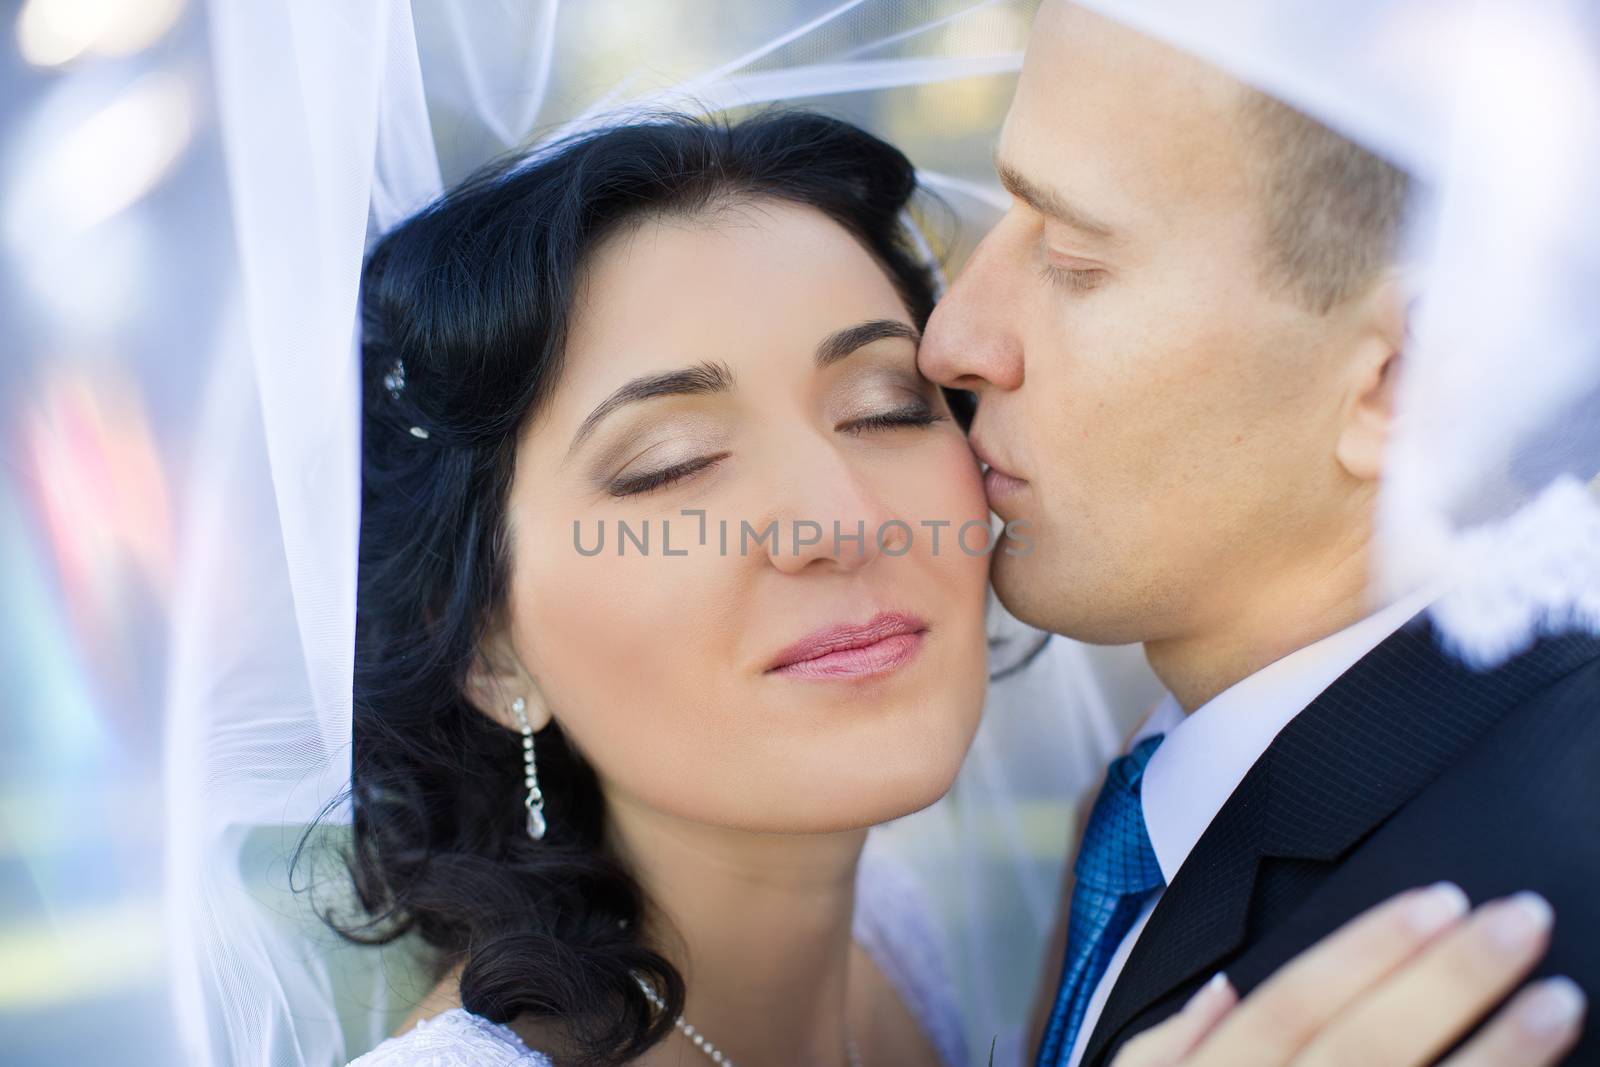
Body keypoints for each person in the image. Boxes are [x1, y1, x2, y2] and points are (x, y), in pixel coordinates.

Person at [333, 108, 1574, 1067]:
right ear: (488, 647)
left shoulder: (902, 944)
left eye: (885, 407)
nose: (839, 520)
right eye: (674, 466)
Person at [914, 3, 1599, 1066]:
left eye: (1074, 258)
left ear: (1403, 379)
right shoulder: (1170, 780)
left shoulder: (1537, 926)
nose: (950, 339)